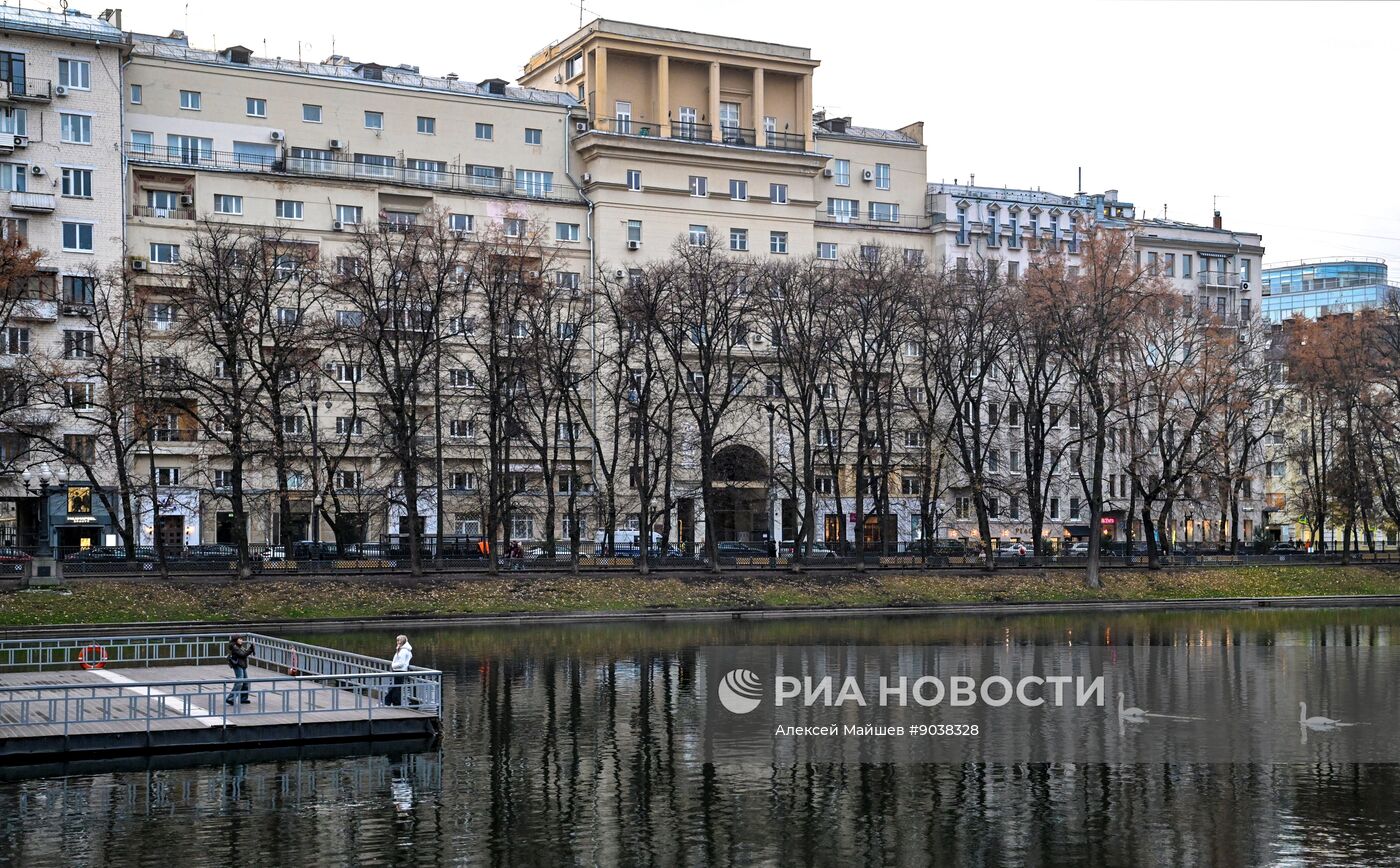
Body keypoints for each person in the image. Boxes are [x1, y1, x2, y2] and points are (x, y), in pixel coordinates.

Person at [225, 634, 254, 705]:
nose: (242, 640)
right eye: (240, 639)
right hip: (238, 665)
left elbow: (244, 653)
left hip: (242, 665)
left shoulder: (239, 646)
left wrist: (250, 649)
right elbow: (243, 655)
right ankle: (230, 698)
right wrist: (251, 649)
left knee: (245, 682)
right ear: (236, 640)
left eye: (242, 639)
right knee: (240, 682)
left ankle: (243, 698)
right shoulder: (234, 647)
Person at [385, 634, 412, 706]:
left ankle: (389, 702)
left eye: (398, 640)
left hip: (399, 670)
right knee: (395, 687)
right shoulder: (403, 650)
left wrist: (393, 665)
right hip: (399, 670)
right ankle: (394, 703)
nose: (397, 642)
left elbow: (401, 663)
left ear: (402, 642)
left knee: (394, 688)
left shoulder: (404, 651)